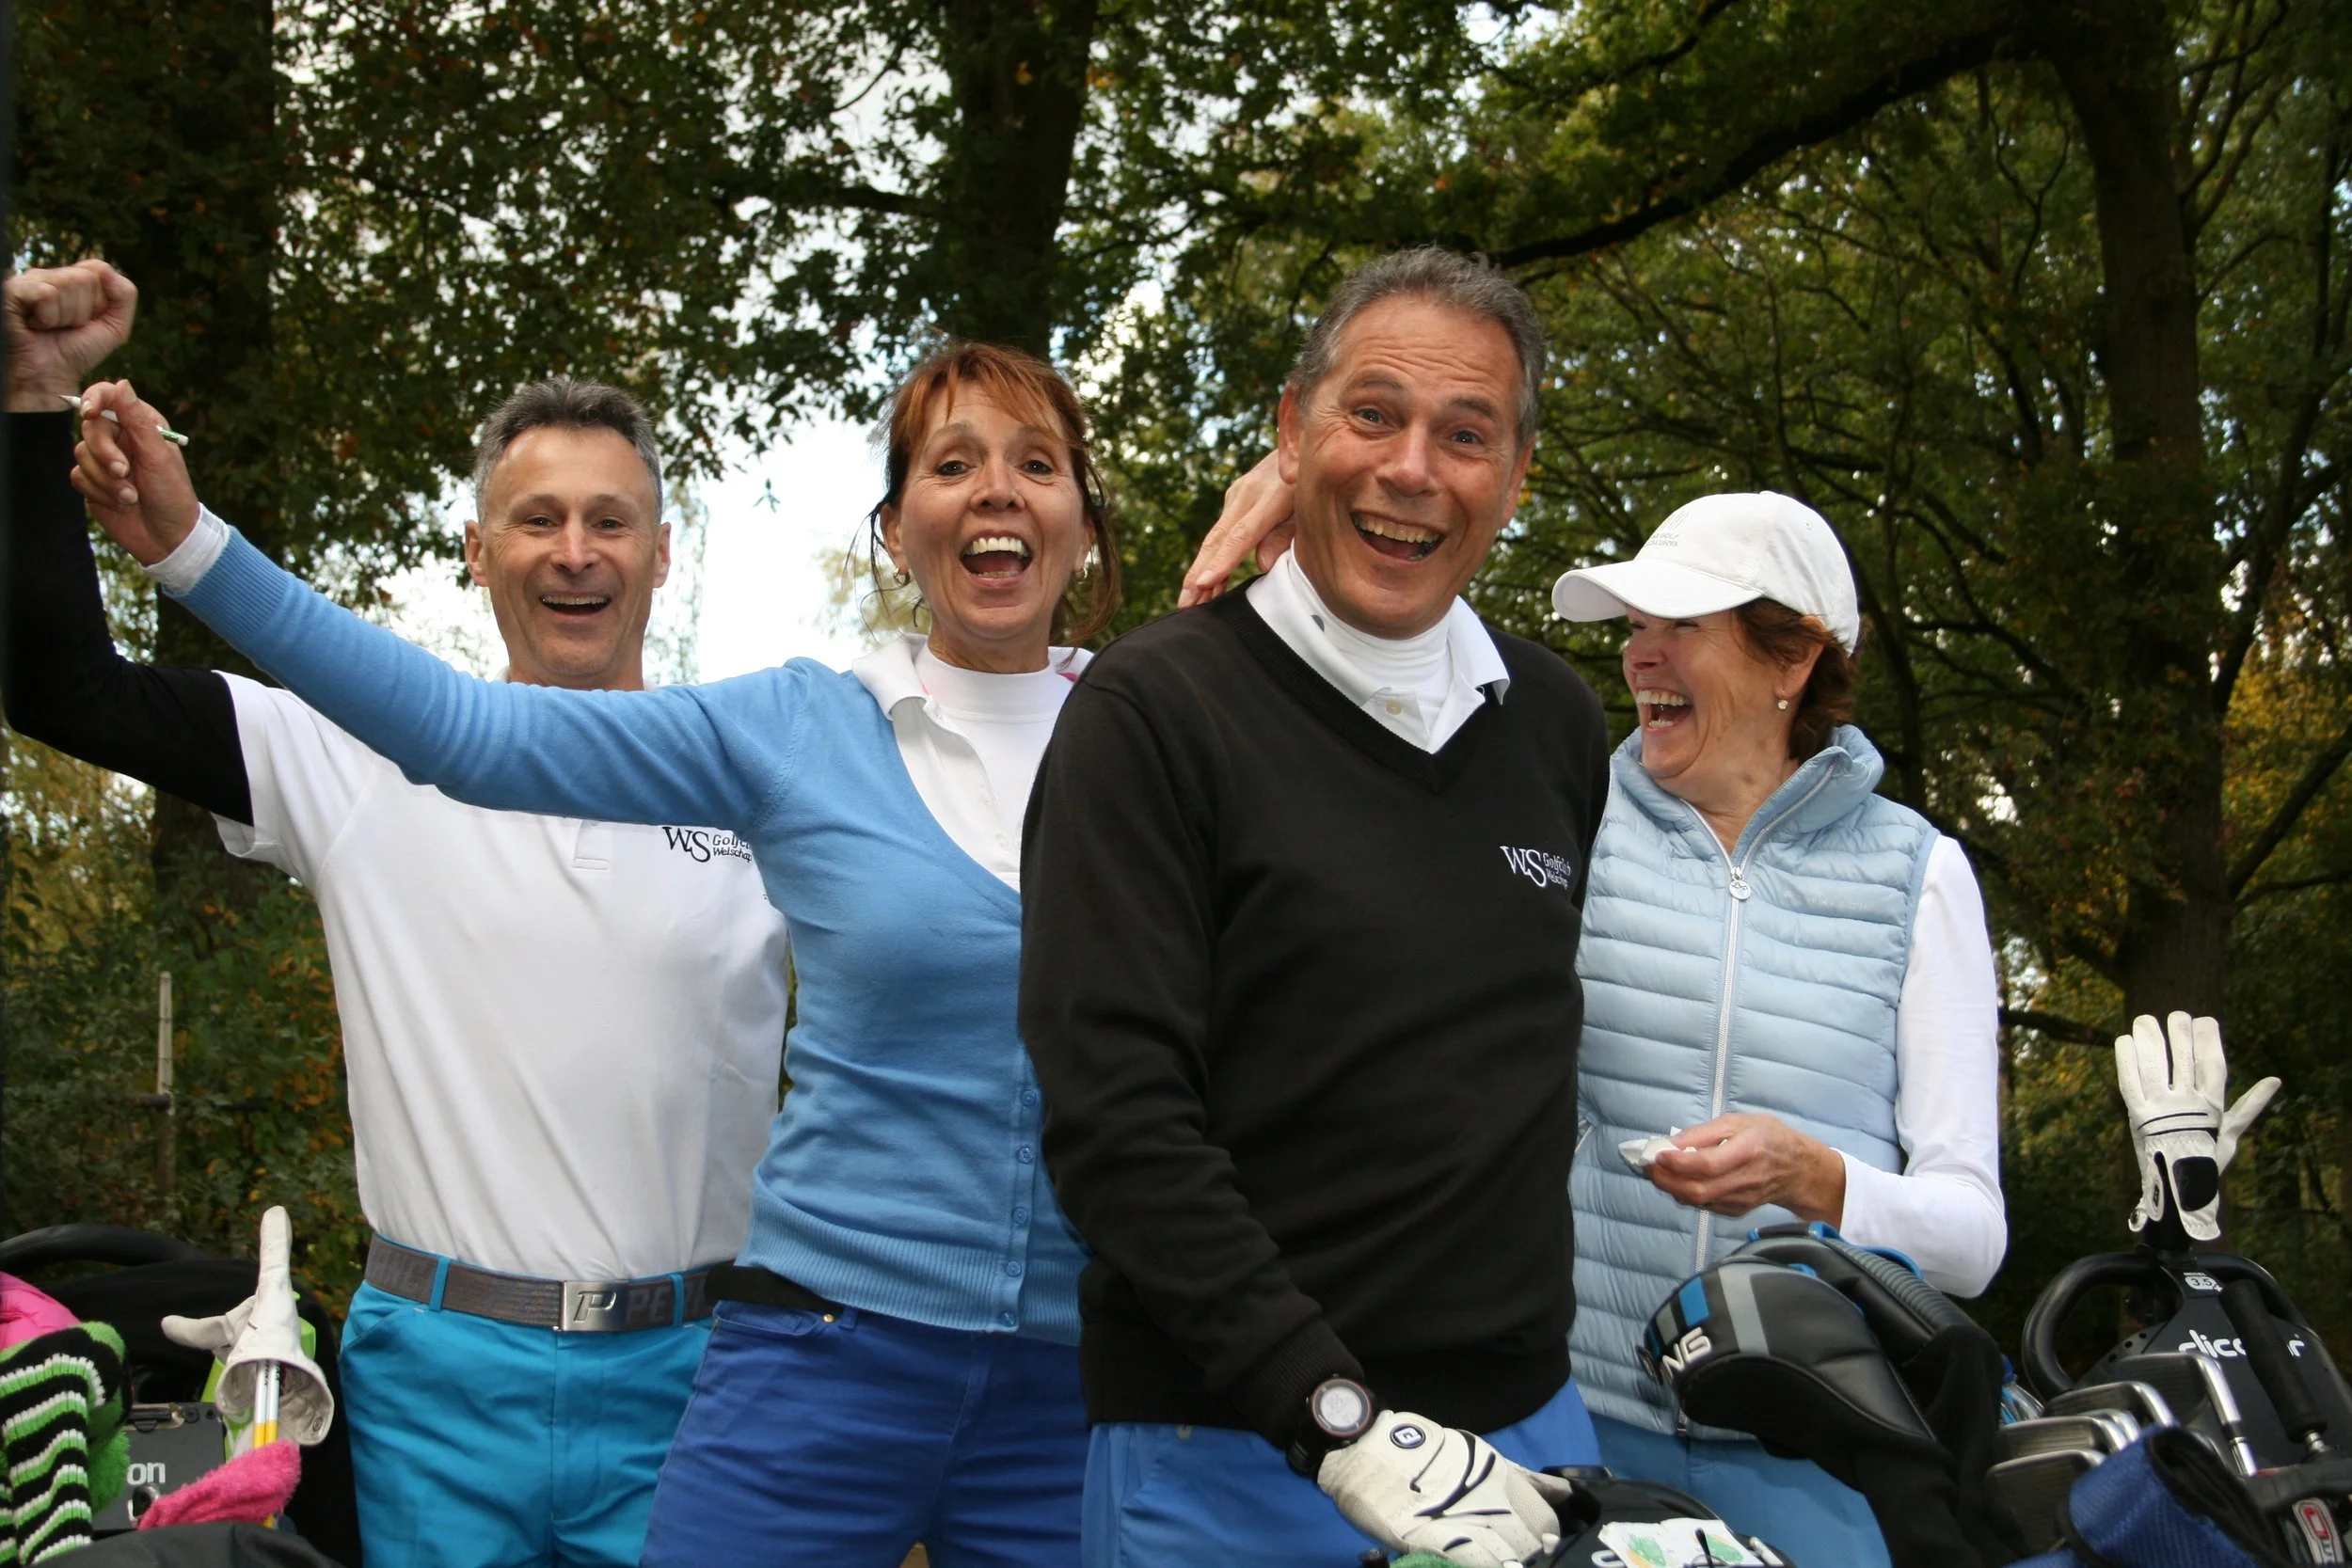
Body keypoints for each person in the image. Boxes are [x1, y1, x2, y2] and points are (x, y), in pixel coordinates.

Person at [64, 339, 1120, 1566]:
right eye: (952, 462)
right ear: (893, 525)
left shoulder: (1166, 728)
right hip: (781, 1357)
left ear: (1087, 520)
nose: (995, 490)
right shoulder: (796, 727)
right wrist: (196, 550)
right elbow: (464, 732)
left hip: (1032, 1363)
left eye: (1038, 461)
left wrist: (1284, 494)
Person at [3, 261, 791, 1568]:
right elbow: (63, 687)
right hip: (437, 1382)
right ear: (477, 551)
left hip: (697, 1378)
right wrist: (33, 403)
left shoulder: (770, 781)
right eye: (537, 518)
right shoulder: (350, 752)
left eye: (612, 519)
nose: (576, 550)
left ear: (662, 551)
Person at [1019, 247, 1613, 1568]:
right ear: (1292, 432)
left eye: (1466, 434)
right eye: (1373, 414)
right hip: (1233, 1448)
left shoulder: (1558, 722)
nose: (1413, 469)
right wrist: (1333, 1414)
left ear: (1515, 476)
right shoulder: (1152, 712)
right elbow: (1115, 1120)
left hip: (1527, 1441)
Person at [1550, 493, 2004, 1568]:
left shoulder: (1918, 873)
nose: (1638, 657)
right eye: (1631, 627)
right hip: (1583, 1427)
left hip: (1826, 1462)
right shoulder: (1562, 822)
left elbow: (1971, 1236)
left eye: (1680, 626)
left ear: (1791, 659)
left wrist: (1811, 1175)